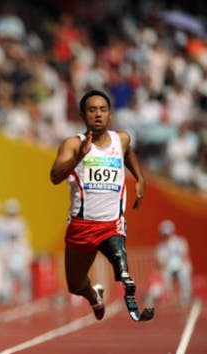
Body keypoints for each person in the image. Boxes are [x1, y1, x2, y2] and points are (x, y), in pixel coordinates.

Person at [49, 89, 153, 322]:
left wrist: (140, 177)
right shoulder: (73, 144)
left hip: (112, 224)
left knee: (123, 270)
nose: (98, 115)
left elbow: (128, 154)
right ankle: (94, 295)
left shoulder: (122, 139)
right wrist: (79, 158)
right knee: (75, 285)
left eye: (103, 110)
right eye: (92, 110)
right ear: (83, 115)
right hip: (82, 226)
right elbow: (55, 177)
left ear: (109, 114)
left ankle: (130, 294)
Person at [155, 220, 192, 306]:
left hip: (181, 266)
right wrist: (168, 265)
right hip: (168, 268)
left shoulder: (180, 242)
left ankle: (185, 299)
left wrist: (178, 265)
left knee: (184, 272)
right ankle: (169, 299)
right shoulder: (160, 247)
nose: (166, 236)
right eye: (164, 234)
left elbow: (184, 255)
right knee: (164, 275)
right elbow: (160, 262)